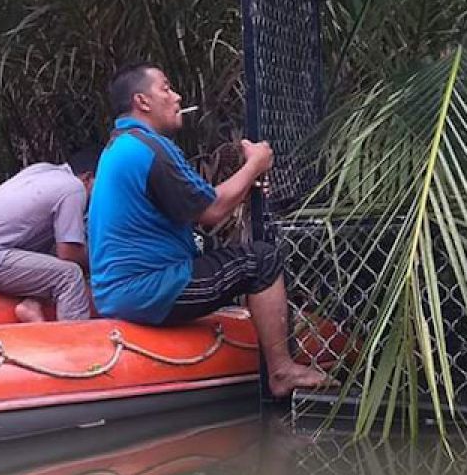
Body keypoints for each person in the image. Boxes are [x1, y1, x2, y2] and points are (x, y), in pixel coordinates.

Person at [88, 62, 325, 397]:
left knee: (222, 257)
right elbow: (211, 211)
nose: (177, 96)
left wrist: (246, 183)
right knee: (262, 260)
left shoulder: (121, 146)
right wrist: (255, 164)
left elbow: (195, 204)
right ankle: (282, 371)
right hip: (147, 290)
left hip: (120, 291)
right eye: (167, 88)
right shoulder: (150, 149)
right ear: (142, 101)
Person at [0, 147, 101, 322]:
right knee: (70, 275)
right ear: (87, 177)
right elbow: (69, 254)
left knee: (53, 249)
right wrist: (109, 262)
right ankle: (75, 341)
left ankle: (31, 304)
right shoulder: (74, 188)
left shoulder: (43, 171)